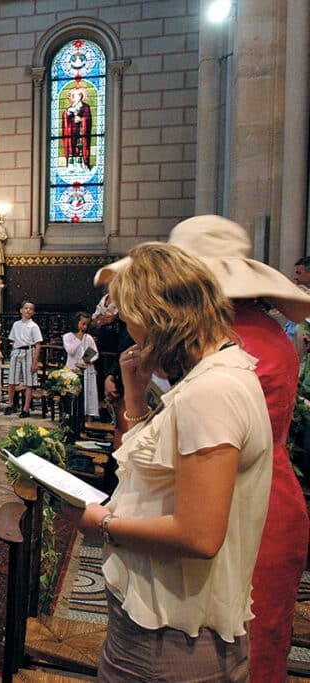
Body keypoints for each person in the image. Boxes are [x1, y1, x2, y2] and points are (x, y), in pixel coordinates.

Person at [72, 242, 272, 682]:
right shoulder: (213, 375)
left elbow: (199, 534)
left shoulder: (211, 392)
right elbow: (147, 470)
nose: (126, 327)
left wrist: (102, 525)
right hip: (156, 626)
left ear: (156, 315)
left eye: (128, 316)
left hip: (171, 638)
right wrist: (135, 393)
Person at [158, 215, 310, 683]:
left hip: (249, 510)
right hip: (250, 495)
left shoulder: (239, 342)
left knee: (246, 651)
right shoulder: (251, 328)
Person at [5, 300, 42, 418]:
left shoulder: (34, 326)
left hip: (29, 352)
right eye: (26, 308)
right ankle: (11, 404)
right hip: (17, 351)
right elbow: (13, 340)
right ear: (21, 310)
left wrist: (35, 362)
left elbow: (38, 344)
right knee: (12, 380)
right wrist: (13, 352)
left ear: (33, 312)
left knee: (28, 382)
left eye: (31, 309)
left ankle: (26, 408)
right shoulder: (16, 324)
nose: (28, 310)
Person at [63, 312, 99, 420]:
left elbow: (95, 352)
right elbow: (71, 351)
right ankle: (72, 417)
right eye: (83, 324)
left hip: (87, 369)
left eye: (86, 325)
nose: (85, 327)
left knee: (88, 393)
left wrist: (87, 359)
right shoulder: (67, 336)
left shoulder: (88, 338)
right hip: (72, 369)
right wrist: (78, 338)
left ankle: (88, 418)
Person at [62, 85, 92, 173]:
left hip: (81, 131)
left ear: (82, 96)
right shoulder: (69, 108)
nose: (77, 97)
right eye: (75, 96)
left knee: (80, 147)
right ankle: (71, 165)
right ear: (73, 97)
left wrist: (82, 120)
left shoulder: (86, 107)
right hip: (71, 131)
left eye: (79, 95)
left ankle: (81, 164)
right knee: (71, 146)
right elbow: (65, 117)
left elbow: (88, 118)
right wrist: (67, 114)